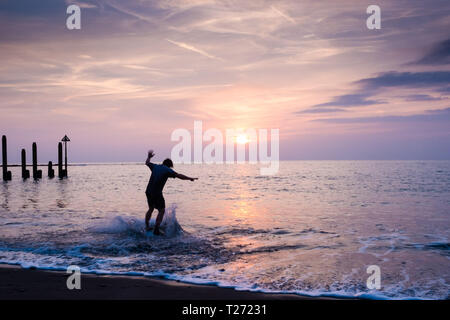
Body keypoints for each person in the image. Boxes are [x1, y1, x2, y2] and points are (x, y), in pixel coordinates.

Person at [144, 150, 197, 235]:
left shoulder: (155, 166)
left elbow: (147, 163)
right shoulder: (167, 170)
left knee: (151, 208)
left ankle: (147, 226)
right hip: (157, 193)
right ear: (169, 165)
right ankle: (156, 229)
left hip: (148, 191)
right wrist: (190, 178)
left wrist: (149, 157)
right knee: (161, 210)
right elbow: (179, 175)